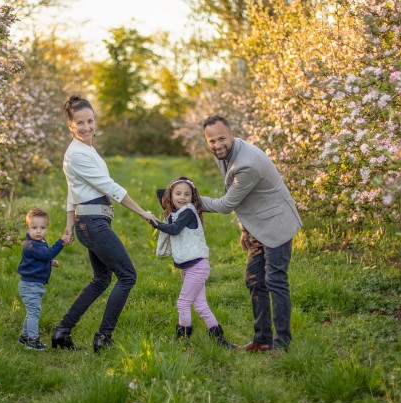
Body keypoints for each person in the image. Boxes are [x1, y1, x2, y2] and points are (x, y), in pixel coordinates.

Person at [51, 95, 158, 353]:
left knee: (101, 279)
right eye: (80, 123)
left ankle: (62, 332)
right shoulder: (76, 154)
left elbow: (72, 191)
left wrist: (69, 224)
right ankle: (103, 337)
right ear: (70, 125)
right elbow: (110, 187)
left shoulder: (85, 149)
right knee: (128, 275)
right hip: (93, 223)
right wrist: (143, 213)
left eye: (90, 121)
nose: (87, 127)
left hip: (89, 221)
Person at [199, 115, 302, 352]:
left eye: (222, 138)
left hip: (276, 223)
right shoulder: (225, 155)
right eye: (211, 140)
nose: (217, 144)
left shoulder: (247, 164)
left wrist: (191, 199)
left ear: (232, 135)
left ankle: (282, 344)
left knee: (275, 281)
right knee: (254, 279)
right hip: (257, 223)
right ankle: (262, 340)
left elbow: (226, 204)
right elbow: (242, 198)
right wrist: (245, 228)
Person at [151, 176, 235, 348]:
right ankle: (219, 340)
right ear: (171, 196)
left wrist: (156, 223)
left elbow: (174, 230)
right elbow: (161, 193)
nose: (182, 197)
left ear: (192, 198)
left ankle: (182, 339)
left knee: (183, 302)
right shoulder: (176, 212)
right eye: (178, 194)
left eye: (187, 194)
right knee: (200, 305)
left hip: (197, 267)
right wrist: (174, 188)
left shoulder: (188, 212)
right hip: (191, 268)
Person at [17, 207, 71, 350]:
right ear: (27, 228)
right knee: (34, 313)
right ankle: (33, 341)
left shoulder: (39, 242)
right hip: (30, 285)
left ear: (47, 228)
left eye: (42, 227)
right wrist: (61, 242)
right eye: (34, 228)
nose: (39, 231)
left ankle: (24, 337)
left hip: (32, 284)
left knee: (31, 312)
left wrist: (49, 262)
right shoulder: (32, 245)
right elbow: (46, 254)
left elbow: (42, 257)